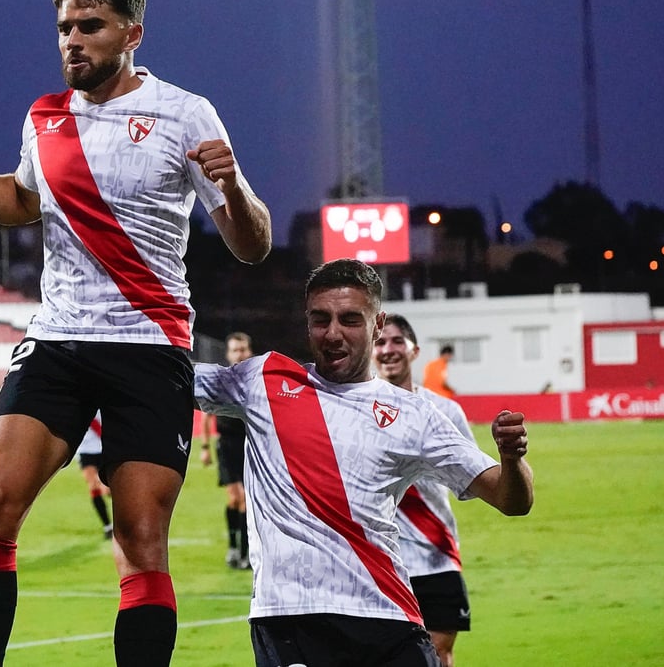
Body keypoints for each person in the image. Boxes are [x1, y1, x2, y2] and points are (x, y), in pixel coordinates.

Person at [0, 0, 271, 666]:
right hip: (58, 339)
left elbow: (249, 244)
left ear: (132, 34)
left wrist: (233, 184)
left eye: (90, 27)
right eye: (64, 30)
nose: (72, 42)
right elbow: (22, 199)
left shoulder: (186, 113)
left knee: (139, 537)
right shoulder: (44, 115)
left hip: (148, 345)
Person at [193, 259, 533, 667]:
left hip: (385, 619)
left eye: (350, 319)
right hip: (290, 620)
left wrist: (512, 459)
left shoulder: (413, 413)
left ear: (377, 323)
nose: (333, 333)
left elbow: (512, 499)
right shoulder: (262, 381)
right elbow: (164, 376)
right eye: (321, 319)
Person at [374, 314, 477, 666]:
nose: (388, 349)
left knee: (437, 655)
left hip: (435, 554)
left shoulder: (446, 410)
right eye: (380, 342)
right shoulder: (350, 408)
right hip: (377, 559)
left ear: (414, 350)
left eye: (397, 341)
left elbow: (471, 479)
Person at [199, 332, 253, 570]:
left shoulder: (256, 380)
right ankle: (235, 547)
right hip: (227, 446)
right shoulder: (220, 379)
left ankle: (245, 553)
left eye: (243, 349)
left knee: (246, 501)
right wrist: (205, 447)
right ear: (228, 354)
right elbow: (206, 415)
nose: (240, 354)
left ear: (249, 351)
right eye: (235, 350)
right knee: (235, 498)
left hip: (249, 445)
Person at [75, 414, 113, 539]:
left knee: (109, 489)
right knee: (93, 486)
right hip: (86, 451)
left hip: (104, 449)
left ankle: (124, 521)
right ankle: (108, 526)